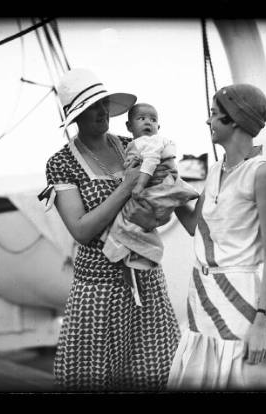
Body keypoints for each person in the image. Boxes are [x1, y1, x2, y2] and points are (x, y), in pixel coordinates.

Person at [39, 68, 180, 391]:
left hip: (147, 281)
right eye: (90, 108)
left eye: (103, 103)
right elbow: (80, 230)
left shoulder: (135, 145)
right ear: (75, 117)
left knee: (157, 373)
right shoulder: (62, 163)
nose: (101, 112)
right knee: (94, 380)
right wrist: (127, 185)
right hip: (98, 291)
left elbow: (165, 196)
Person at [164, 83, 266, 390]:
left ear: (236, 121)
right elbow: (194, 226)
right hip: (201, 298)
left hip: (240, 300)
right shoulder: (216, 170)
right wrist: (168, 187)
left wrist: (262, 323)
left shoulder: (261, 172)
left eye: (215, 115)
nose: (209, 121)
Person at [100, 103, 199, 305]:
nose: (148, 122)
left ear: (159, 127)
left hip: (155, 188)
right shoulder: (133, 144)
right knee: (130, 225)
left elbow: (151, 162)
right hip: (157, 191)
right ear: (129, 126)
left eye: (153, 119)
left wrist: (139, 184)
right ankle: (134, 261)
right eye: (142, 118)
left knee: (125, 225)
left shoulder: (151, 142)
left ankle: (134, 259)